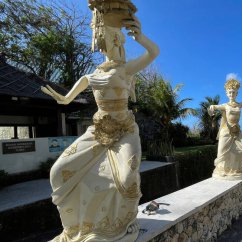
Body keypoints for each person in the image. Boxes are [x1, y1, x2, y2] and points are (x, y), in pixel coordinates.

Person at [41, 1, 159, 241]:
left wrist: (141, 37)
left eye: (115, 35)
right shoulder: (92, 75)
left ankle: (116, 226)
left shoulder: (126, 69)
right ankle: (76, 227)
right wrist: (63, 99)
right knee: (59, 171)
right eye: (107, 35)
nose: (112, 40)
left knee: (126, 180)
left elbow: (153, 53)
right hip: (98, 131)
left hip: (125, 130)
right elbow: (68, 97)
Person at [208, 78, 242, 179]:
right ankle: (222, 170)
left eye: (233, 92)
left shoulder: (239, 105)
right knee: (222, 152)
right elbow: (213, 107)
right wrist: (211, 108)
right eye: (229, 92)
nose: (231, 94)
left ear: (236, 94)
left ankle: (237, 169)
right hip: (226, 131)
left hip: (237, 130)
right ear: (227, 94)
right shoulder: (225, 105)